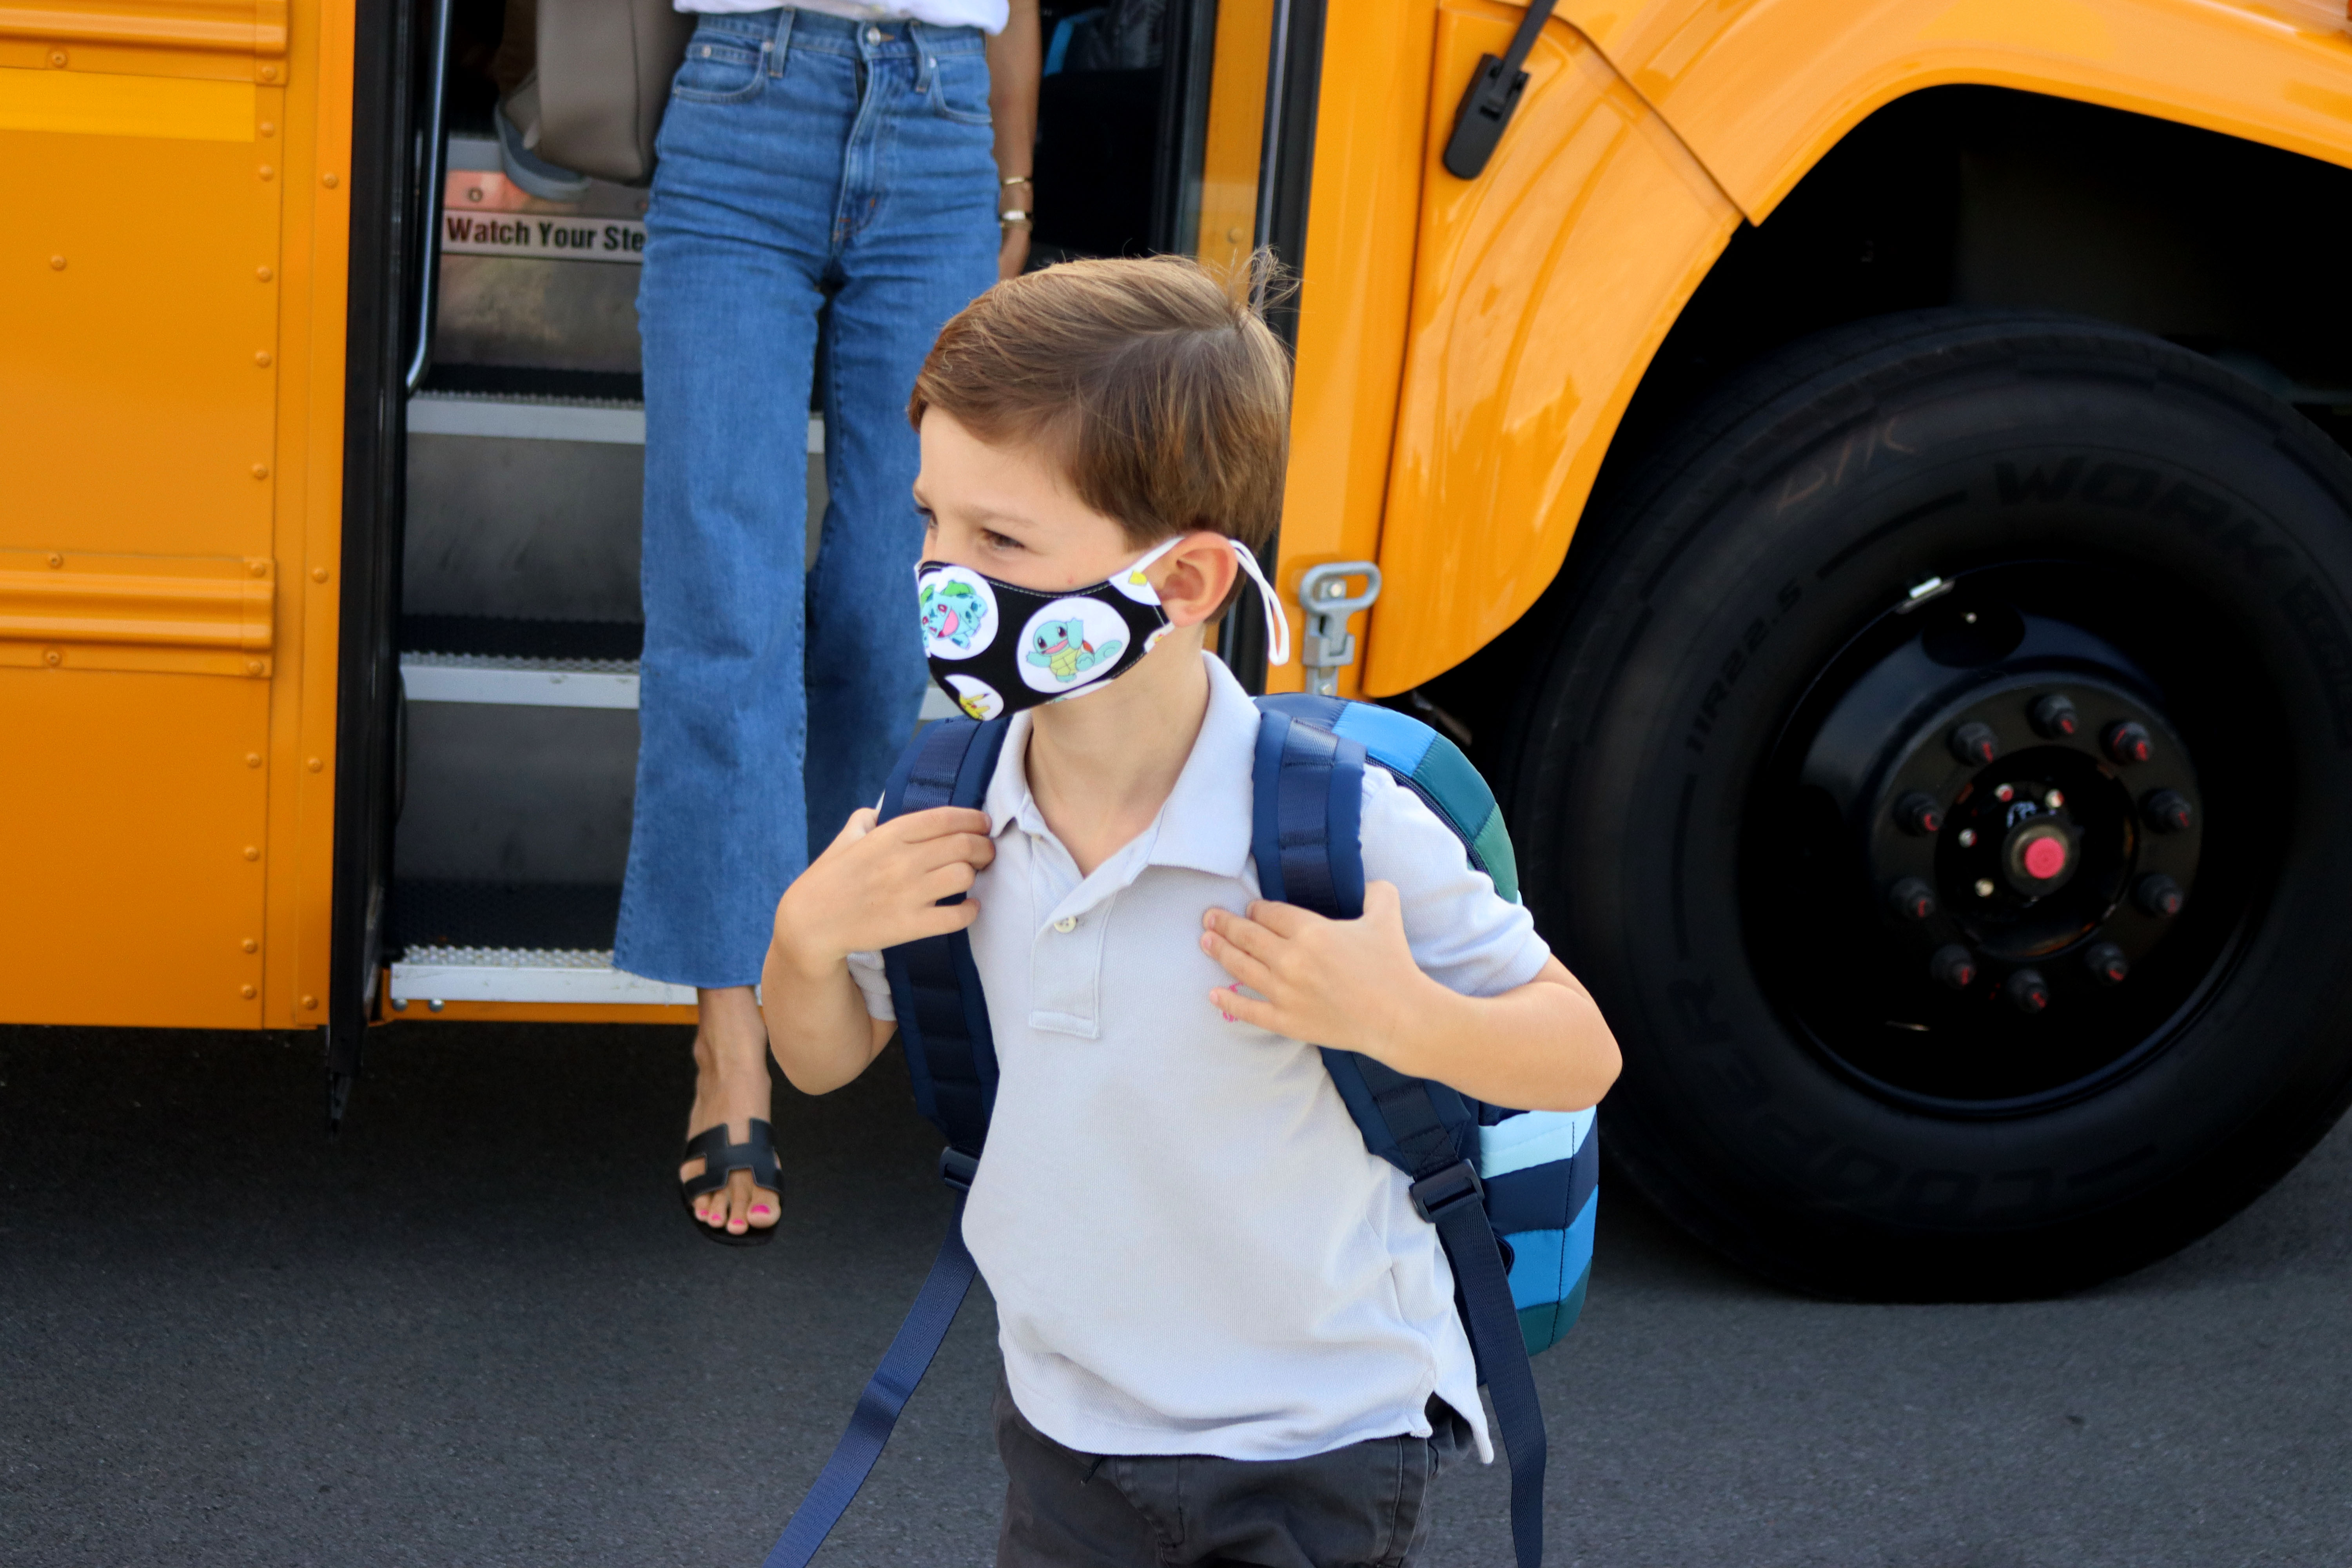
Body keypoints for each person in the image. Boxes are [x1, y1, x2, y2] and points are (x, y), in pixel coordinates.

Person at [759, 256, 1623, 1565]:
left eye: (1001, 541)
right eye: (932, 520)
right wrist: (804, 937)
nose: (943, 577)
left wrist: (1398, 1013)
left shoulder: (1334, 830)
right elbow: (820, 1062)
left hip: (1317, 1442)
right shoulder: (945, 810)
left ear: (1183, 586)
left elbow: (1580, 1051)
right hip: (1063, 1430)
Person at [617, 0, 1042, 1242]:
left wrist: (1011, 193)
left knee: (887, 606)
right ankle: (733, 1041)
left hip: (941, 128)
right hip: (747, 101)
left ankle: (808, 944)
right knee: (724, 607)